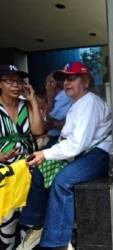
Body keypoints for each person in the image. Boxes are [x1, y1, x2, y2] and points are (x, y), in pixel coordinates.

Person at [18, 62, 112, 250]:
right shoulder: (77, 103)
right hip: (81, 152)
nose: (66, 83)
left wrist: (46, 153)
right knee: (40, 172)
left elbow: (77, 145)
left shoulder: (90, 102)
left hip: (97, 154)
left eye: (72, 78)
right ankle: (37, 225)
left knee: (62, 181)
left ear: (85, 81)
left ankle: (56, 243)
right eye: (64, 79)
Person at [0, 64, 45, 249]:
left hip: (27, 167)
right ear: (0, 84)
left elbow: (38, 130)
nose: (16, 85)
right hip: (4, 170)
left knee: (25, 218)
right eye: (10, 81)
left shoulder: (26, 105)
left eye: (19, 81)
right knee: (6, 218)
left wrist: (33, 100)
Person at [44, 72, 73, 147]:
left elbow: (49, 119)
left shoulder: (64, 96)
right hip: (53, 136)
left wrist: (49, 97)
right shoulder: (58, 97)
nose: (46, 86)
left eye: (47, 82)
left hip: (58, 138)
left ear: (53, 83)